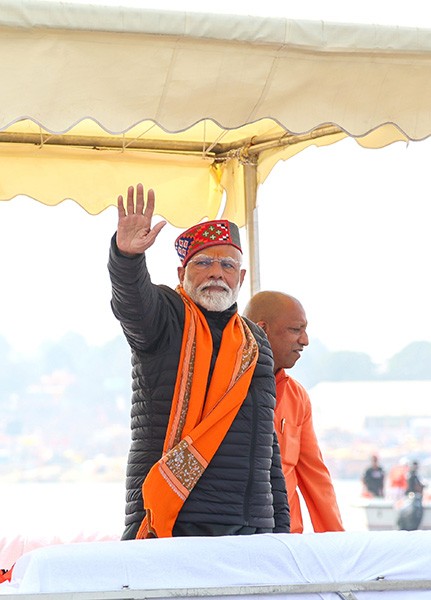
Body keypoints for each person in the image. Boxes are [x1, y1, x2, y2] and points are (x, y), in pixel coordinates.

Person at [108, 184, 290, 540]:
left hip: (251, 527)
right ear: (182, 274)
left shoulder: (256, 342)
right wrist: (126, 258)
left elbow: (268, 447)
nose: (216, 273)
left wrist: (280, 529)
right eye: (203, 263)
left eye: (227, 265)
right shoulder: (165, 317)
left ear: (241, 277)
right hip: (174, 522)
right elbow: (132, 302)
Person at [243, 291, 343, 534]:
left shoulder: (298, 397)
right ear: (262, 329)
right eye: (296, 329)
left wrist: (338, 542)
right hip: (235, 537)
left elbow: (316, 477)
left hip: (287, 538)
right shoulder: (221, 385)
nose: (305, 340)